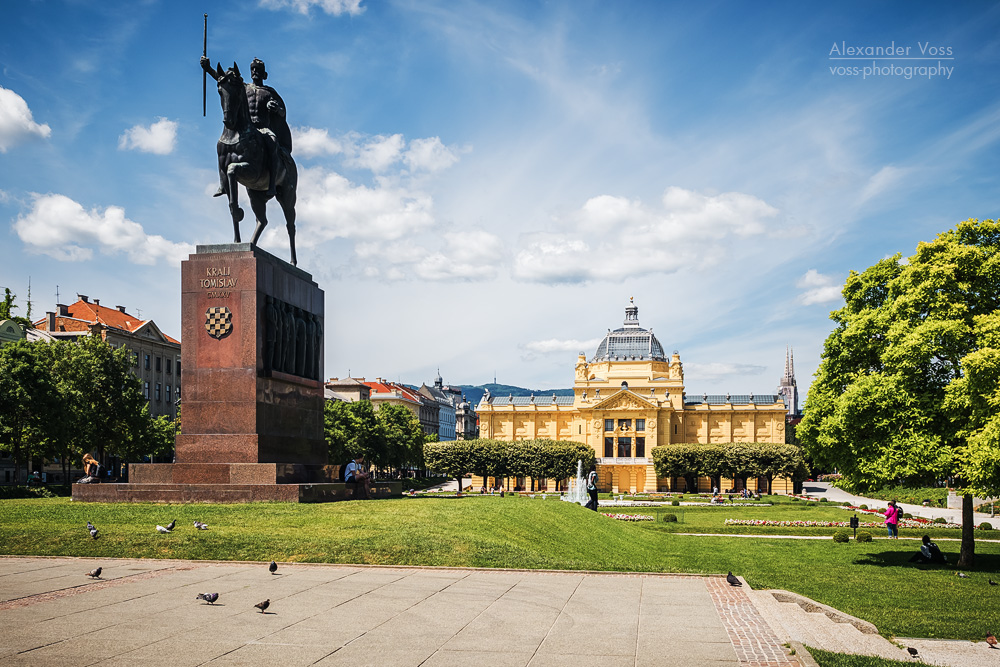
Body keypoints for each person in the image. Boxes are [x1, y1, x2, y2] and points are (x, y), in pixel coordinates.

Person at [200, 56, 290, 198]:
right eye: (253, 69)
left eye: (258, 70)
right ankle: (223, 183)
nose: (255, 72)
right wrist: (208, 68)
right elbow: (223, 80)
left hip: (263, 129)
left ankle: (272, 183)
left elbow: (282, 111)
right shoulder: (244, 87)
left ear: (264, 74)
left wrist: (276, 108)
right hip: (245, 128)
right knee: (221, 145)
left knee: (272, 142)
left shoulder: (269, 92)